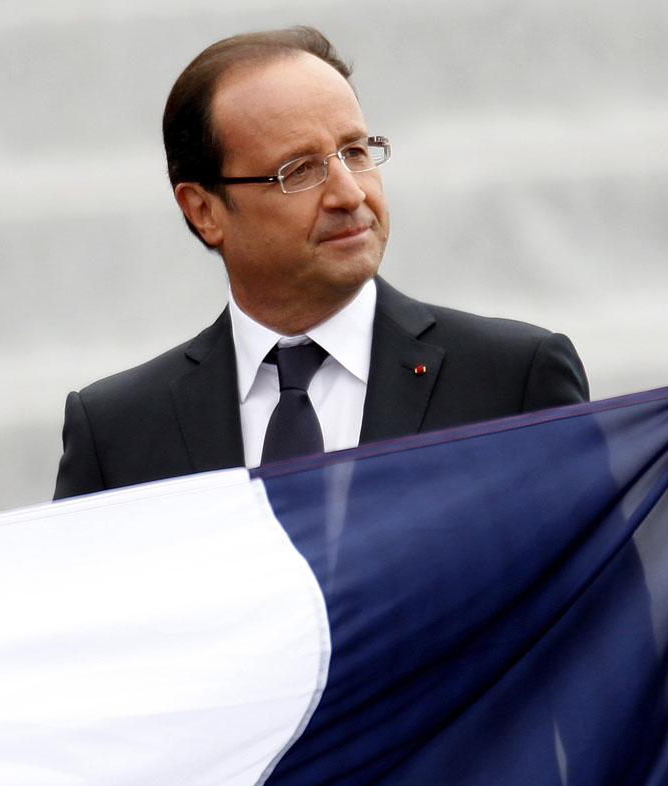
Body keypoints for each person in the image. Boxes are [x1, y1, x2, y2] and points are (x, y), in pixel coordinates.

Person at [53, 25, 588, 500]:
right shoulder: (116, 431)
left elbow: (598, 602)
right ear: (204, 209)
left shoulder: (514, 380)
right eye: (299, 170)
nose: (349, 194)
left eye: (356, 152)